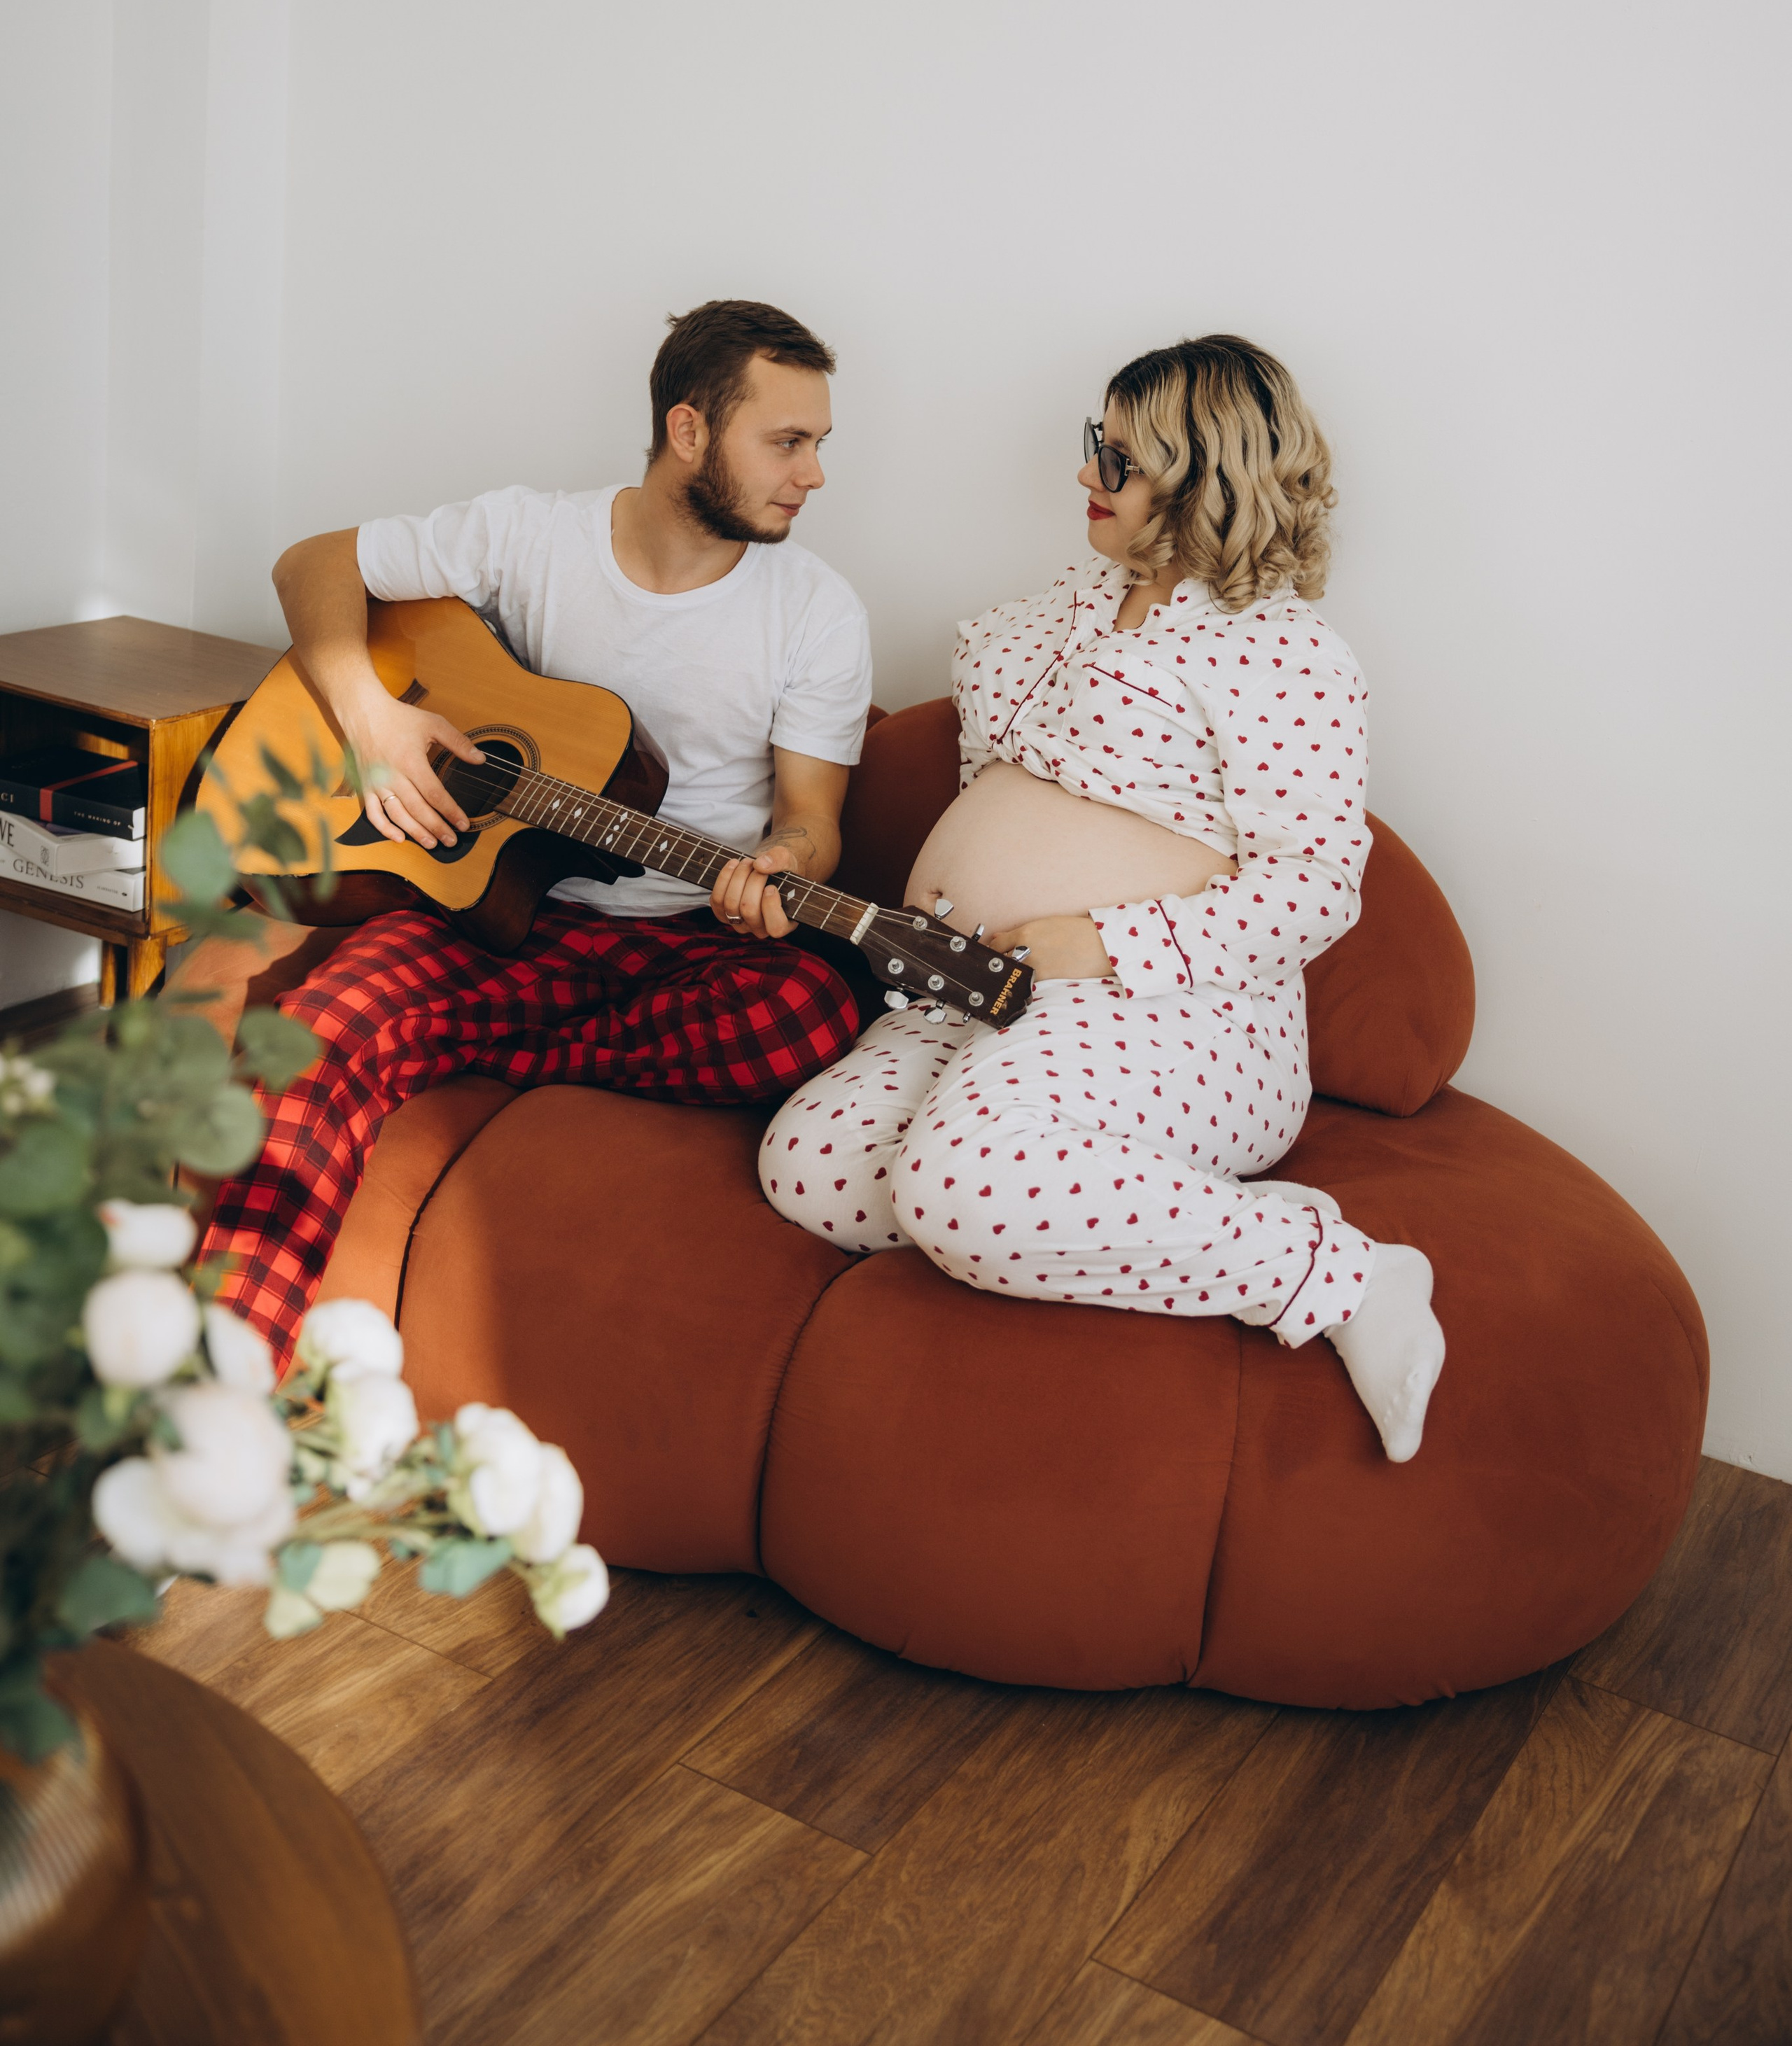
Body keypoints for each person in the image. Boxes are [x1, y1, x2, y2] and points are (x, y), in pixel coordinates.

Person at [759, 332, 1446, 1462]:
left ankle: (1343, 1276)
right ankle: (1185, 1216)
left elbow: (1319, 887)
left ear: (1201, 474)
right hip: (981, 989)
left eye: (1117, 458)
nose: (1086, 474)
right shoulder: (1066, 612)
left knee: (957, 1180)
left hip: (1184, 1015)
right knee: (811, 1170)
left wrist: (1104, 941)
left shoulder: (1282, 653)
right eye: (1097, 447)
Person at [203, 299, 873, 1363]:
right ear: (690, 430)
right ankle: (223, 1387)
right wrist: (371, 722)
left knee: (811, 1010)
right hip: (498, 916)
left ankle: (459, 1045)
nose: (815, 474)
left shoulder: (819, 612)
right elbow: (311, 564)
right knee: (312, 1034)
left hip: (681, 941)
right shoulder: (529, 534)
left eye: (819, 444)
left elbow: (811, 823)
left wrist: (784, 865)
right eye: (788, 442)